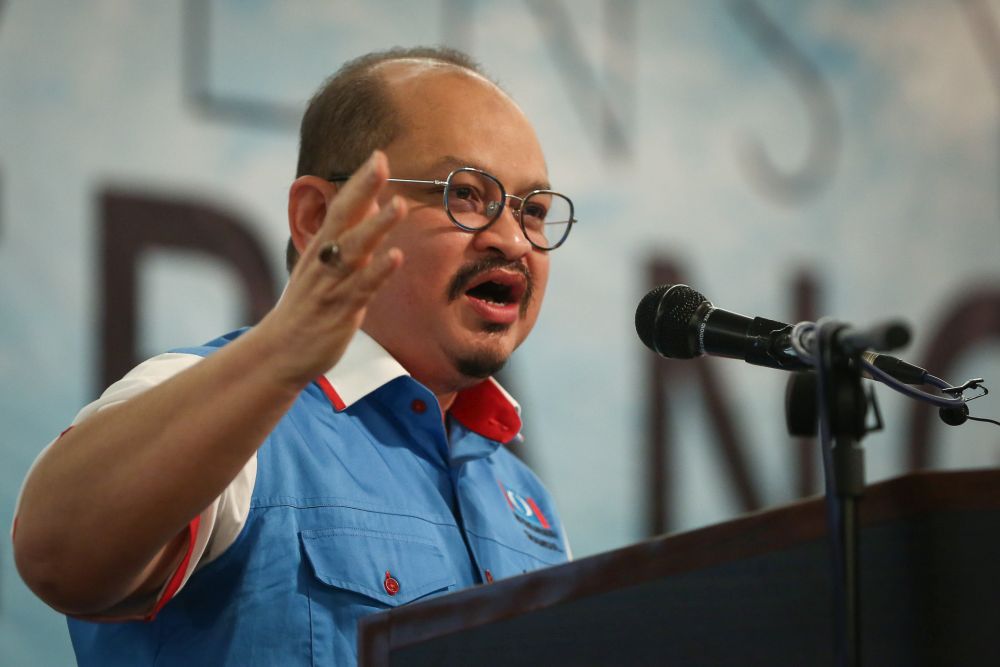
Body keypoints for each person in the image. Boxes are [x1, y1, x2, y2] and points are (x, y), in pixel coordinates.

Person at [12, 46, 576, 665]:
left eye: (535, 211)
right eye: (466, 195)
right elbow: (58, 557)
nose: (513, 239)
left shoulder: (527, 505)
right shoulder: (222, 406)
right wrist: (280, 352)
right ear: (318, 216)